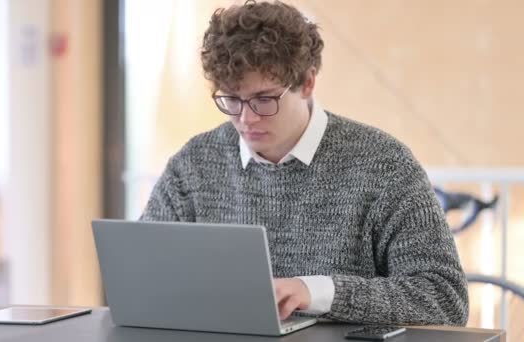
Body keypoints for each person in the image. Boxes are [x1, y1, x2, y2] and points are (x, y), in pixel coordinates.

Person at [141, 0, 468, 326]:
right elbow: (142, 277)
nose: (246, 118)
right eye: (232, 99)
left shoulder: (384, 166)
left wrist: (317, 292)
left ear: (308, 83)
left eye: (264, 99)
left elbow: (444, 298)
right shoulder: (194, 165)